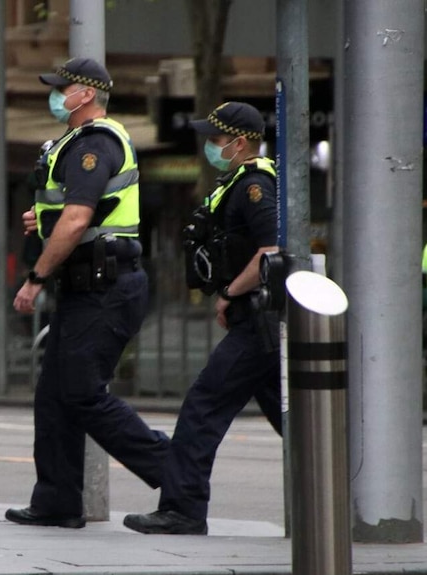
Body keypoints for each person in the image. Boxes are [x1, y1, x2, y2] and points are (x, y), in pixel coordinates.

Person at [5, 57, 170, 529]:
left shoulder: (95, 143)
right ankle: (57, 500)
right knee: (54, 394)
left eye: (64, 88)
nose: (56, 95)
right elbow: (80, 215)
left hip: (107, 287)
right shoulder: (76, 144)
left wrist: (34, 278)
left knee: (80, 392)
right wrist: (46, 222)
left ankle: (172, 468)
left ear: (87, 95)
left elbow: (78, 219)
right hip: (88, 286)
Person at [123, 102, 282, 536]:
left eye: (217, 139)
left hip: (257, 319)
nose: (211, 147)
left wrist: (231, 293)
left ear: (240, 142)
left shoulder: (255, 187)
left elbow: (270, 250)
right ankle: (356, 483)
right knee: (295, 417)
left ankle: (183, 509)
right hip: (256, 318)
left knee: (202, 406)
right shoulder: (237, 182)